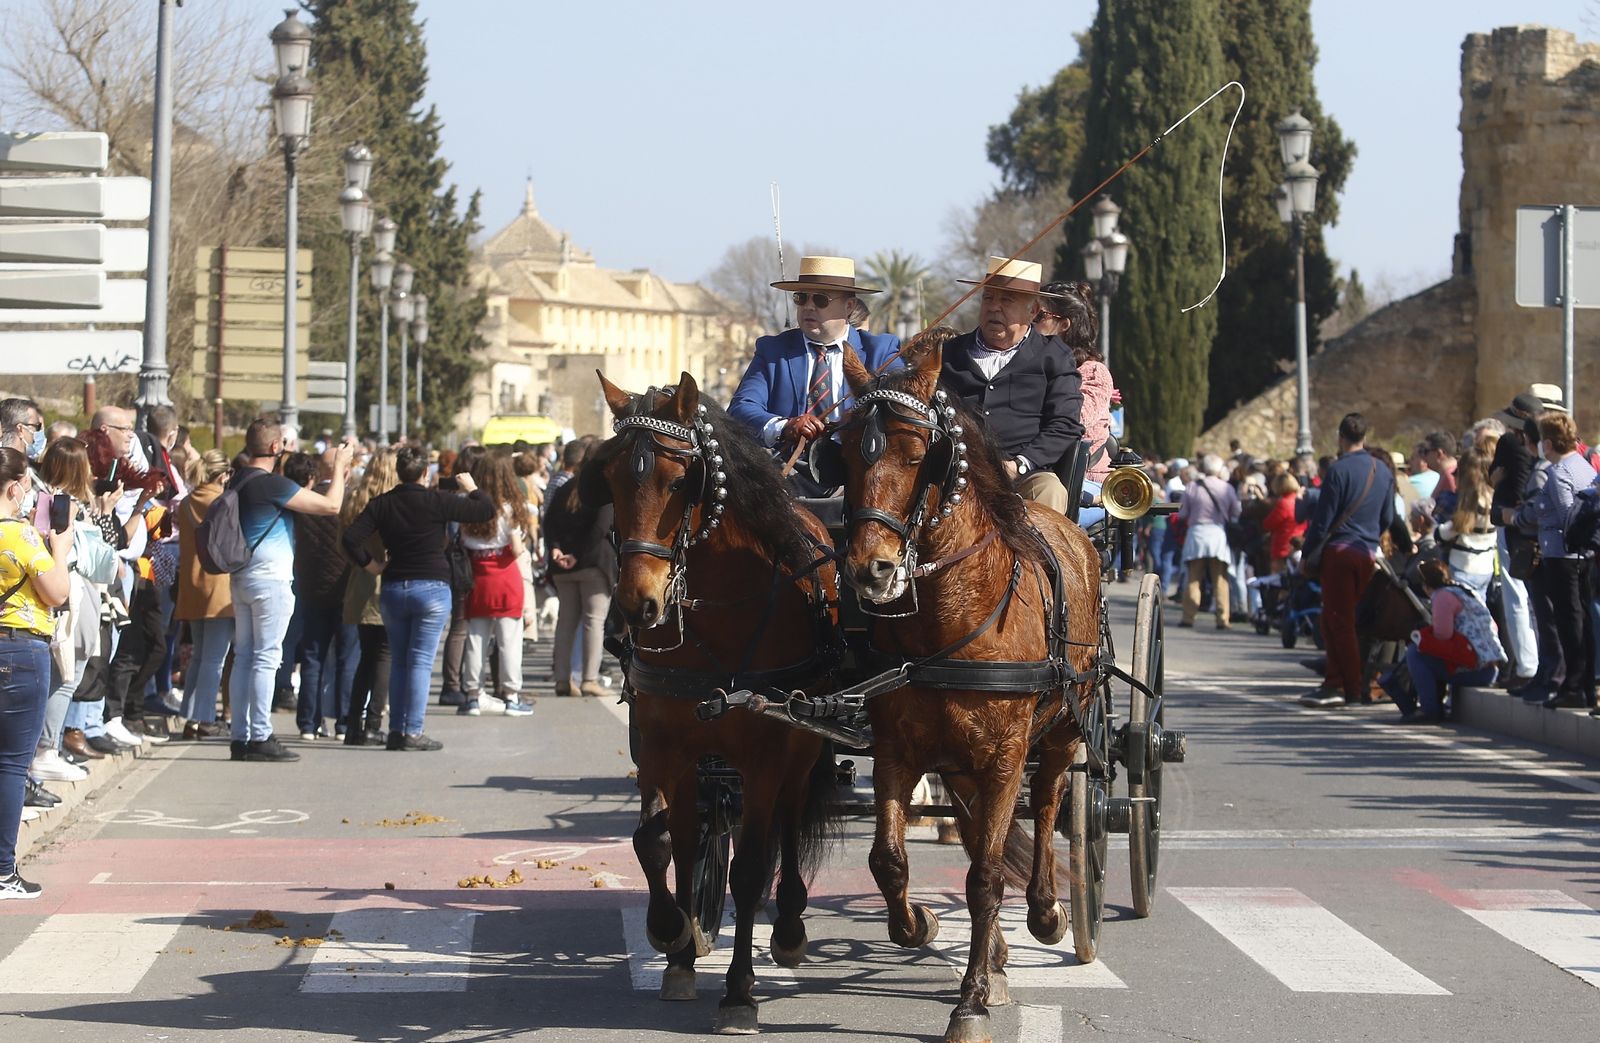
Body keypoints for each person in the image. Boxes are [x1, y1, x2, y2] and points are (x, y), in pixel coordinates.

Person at [341, 445, 494, 750]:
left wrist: (372, 565)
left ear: (399, 472)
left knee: (399, 660)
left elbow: (350, 538)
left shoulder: (382, 504)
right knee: (421, 661)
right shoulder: (437, 501)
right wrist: (473, 489)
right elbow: (485, 510)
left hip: (395, 585)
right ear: (425, 472)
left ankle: (397, 730)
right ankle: (413, 730)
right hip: (432, 587)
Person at [227, 419, 351, 763]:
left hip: (241, 577)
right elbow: (331, 506)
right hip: (271, 580)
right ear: (274, 448)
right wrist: (339, 467)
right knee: (266, 657)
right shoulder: (271, 485)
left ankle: (241, 736)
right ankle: (261, 735)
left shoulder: (236, 480)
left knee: (245, 656)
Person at [728, 255, 901, 495]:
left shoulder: (881, 353)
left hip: (860, 484)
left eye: (820, 299)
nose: (808, 306)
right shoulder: (773, 351)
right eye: (801, 298)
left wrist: (856, 424)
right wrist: (785, 426)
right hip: (787, 483)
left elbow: (901, 413)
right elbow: (740, 409)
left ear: (849, 306)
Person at [938, 256, 1084, 513]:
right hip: (954, 474)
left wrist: (1019, 464)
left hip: (1025, 476)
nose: (994, 307)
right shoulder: (949, 354)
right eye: (988, 298)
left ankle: (1038, 555)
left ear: (1034, 310)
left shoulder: (1054, 356)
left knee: (1050, 489)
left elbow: (1065, 425)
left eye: (1006, 300)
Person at [0, 446, 74, 899]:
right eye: (28, 484)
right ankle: (3, 871)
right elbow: (57, 592)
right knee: (10, 765)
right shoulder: (22, 537)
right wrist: (60, 549)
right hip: (20, 650)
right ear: (13, 487)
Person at [33, 438, 121, 775]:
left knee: (65, 671)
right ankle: (46, 750)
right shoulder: (61, 504)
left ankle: (49, 748)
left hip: (72, 590)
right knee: (67, 672)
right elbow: (103, 551)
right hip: (71, 590)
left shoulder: (53, 500)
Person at [1300, 413, 1396, 709]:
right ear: (1364, 437)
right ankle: (1338, 680)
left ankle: (1347, 686)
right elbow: (1388, 518)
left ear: (1341, 438)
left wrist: (1307, 554)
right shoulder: (1382, 470)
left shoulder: (1339, 470)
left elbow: (1322, 520)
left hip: (1340, 551)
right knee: (1344, 621)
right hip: (1367, 551)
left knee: (1337, 621)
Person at [1507, 411, 1597, 710]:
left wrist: (1520, 516)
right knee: (1580, 621)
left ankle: (1573, 686)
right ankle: (1582, 684)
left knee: (1570, 623)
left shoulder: (1559, 473)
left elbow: (1566, 515)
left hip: (1562, 555)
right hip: (1581, 555)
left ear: (1548, 442)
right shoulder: (1583, 467)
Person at [1382, 558, 1506, 723]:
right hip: (1489, 667)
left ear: (1425, 585)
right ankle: (1434, 705)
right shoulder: (1464, 590)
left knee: (1416, 653)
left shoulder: (1441, 596)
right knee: (1429, 653)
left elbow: (1443, 635)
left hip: (1476, 670)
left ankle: (1429, 710)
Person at [459, 452, 535, 717]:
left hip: (476, 578)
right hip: (505, 577)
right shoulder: (509, 508)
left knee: (476, 640)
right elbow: (515, 549)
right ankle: (511, 696)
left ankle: (472, 695)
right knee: (510, 641)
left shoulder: (466, 506)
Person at [291, 448, 355, 741]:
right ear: (346, 469)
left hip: (311, 587)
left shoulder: (305, 500)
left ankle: (308, 723)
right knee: (346, 658)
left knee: (312, 658)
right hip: (346, 589)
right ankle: (344, 722)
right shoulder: (350, 500)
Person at [174, 450, 233, 740]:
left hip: (192, 585)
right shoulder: (222, 502)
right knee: (214, 658)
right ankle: (205, 717)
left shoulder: (186, 503)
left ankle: (190, 717)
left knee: (199, 656)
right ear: (223, 476)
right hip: (220, 585)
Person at [340, 449, 396, 745]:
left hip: (360, 580)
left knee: (365, 656)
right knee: (384, 655)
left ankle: (352, 723)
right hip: (385, 579)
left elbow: (344, 543)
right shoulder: (392, 502)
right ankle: (373, 721)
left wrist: (363, 563)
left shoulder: (354, 499)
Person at [543, 472, 615, 698]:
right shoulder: (603, 491)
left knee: (566, 622)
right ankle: (589, 679)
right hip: (593, 565)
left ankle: (562, 680)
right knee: (594, 622)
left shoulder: (565, 488)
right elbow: (600, 529)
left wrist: (556, 548)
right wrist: (577, 555)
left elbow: (548, 522)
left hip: (562, 566)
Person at [1039, 280, 1117, 484]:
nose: (1029, 322)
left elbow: (1072, 420)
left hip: (1083, 480)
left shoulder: (1093, 372)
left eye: (1038, 315)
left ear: (1064, 325)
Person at [1489, 395, 1542, 691]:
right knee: (1532, 600)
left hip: (1512, 522)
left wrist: (1496, 482)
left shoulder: (1510, 443)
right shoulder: (1538, 449)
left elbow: (1495, 474)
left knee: (1517, 598)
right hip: (1530, 524)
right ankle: (1533, 663)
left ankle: (1526, 664)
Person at [1176, 455, 1240, 629]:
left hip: (1196, 533)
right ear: (1219, 469)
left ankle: (1189, 616)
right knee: (1220, 579)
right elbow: (1235, 512)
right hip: (1217, 533)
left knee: (1193, 578)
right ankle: (1223, 618)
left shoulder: (1192, 487)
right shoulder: (1227, 488)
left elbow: (1182, 514)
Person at [1436, 444, 1498, 604]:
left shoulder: (1470, 505)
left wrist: (1437, 529)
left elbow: (1444, 533)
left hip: (1463, 567)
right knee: (1479, 610)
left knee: (1462, 615)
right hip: (1485, 568)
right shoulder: (1494, 499)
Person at [1261, 473, 1307, 574]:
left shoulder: (1284, 503)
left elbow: (1268, 524)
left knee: (1279, 582)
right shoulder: (1302, 500)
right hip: (1299, 544)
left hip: (1283, 547)